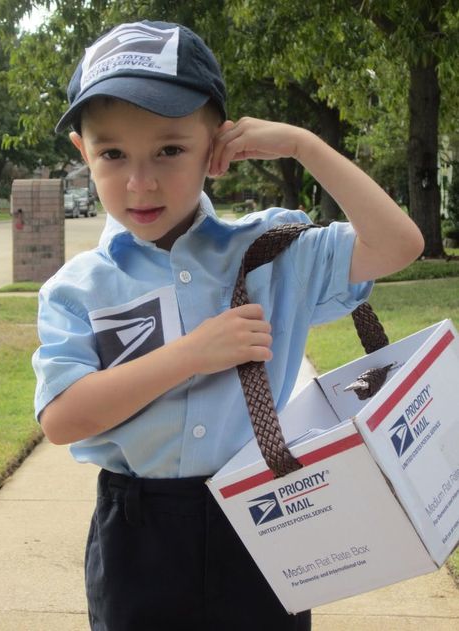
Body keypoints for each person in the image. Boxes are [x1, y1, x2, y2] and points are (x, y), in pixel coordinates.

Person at [32, 19, 424, 631]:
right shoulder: (78, 288)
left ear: (218, 142)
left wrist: (303, 145)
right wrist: (190, 354)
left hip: (266, 512)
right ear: (83, 152)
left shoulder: (268, 250)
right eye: (113, 154)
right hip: (139, 533)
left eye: (170, 149)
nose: (141, 181)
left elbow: (398, 243)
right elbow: (63, 418)